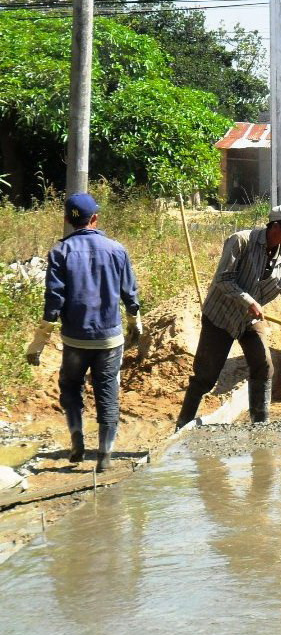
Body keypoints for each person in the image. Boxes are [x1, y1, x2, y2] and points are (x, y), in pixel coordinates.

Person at [175, 205, 281, 429]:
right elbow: (223, 280)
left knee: (264, 366)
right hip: (221, 316)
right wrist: (249, 301)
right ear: (275, 226)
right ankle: (183, 423)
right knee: (205, 376)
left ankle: (260, 423)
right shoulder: (241, 241)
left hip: (249, 320)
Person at [25, 194, 142, 472]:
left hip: (75, 339)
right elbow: (130, 293)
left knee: (70, 385)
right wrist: (134, 321)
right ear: (95, 218)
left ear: (67, 219)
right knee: (107, 392)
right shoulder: (116, 249)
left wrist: (39, 341)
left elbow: (54, 299)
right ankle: (104, 456)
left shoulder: (59, 252)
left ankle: (77, 437)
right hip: (109, 339)